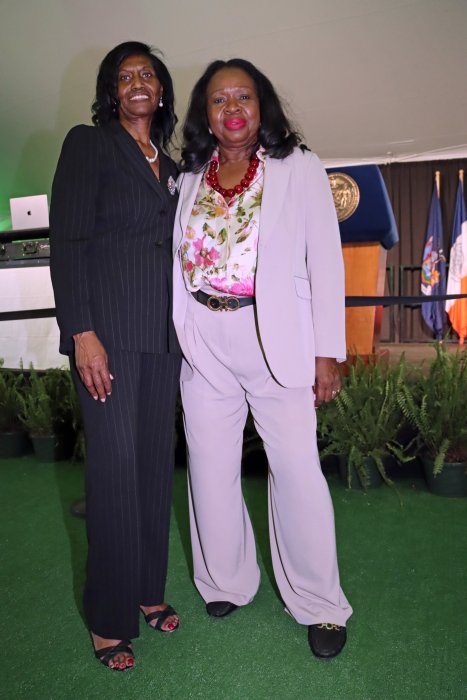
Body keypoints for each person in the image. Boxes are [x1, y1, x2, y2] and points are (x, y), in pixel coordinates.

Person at [172, 58, 352, 660]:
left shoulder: (297, 167)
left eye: (243, 96)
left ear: (262, 104)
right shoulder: (192, 175)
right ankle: (225, 581)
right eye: (219, 99)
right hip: (204, 338)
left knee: (297, 470)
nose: (232, 108)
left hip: (277, 338)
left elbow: (325, 260)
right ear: (206, 113)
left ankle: (321, 603)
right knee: (209, 466)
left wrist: (328, 351)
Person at [49, 41, 181, 671]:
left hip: (163, 342)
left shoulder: (174, 162)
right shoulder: (89, 144)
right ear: (111, 89)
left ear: (161, 90)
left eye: (147, 74)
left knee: (155, 470)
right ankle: (109, 616)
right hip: (107, 339)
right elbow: (68, 241)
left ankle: (149, 590)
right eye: (125, 75)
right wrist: (82, 332)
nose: (137, 82)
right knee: (113, 474)